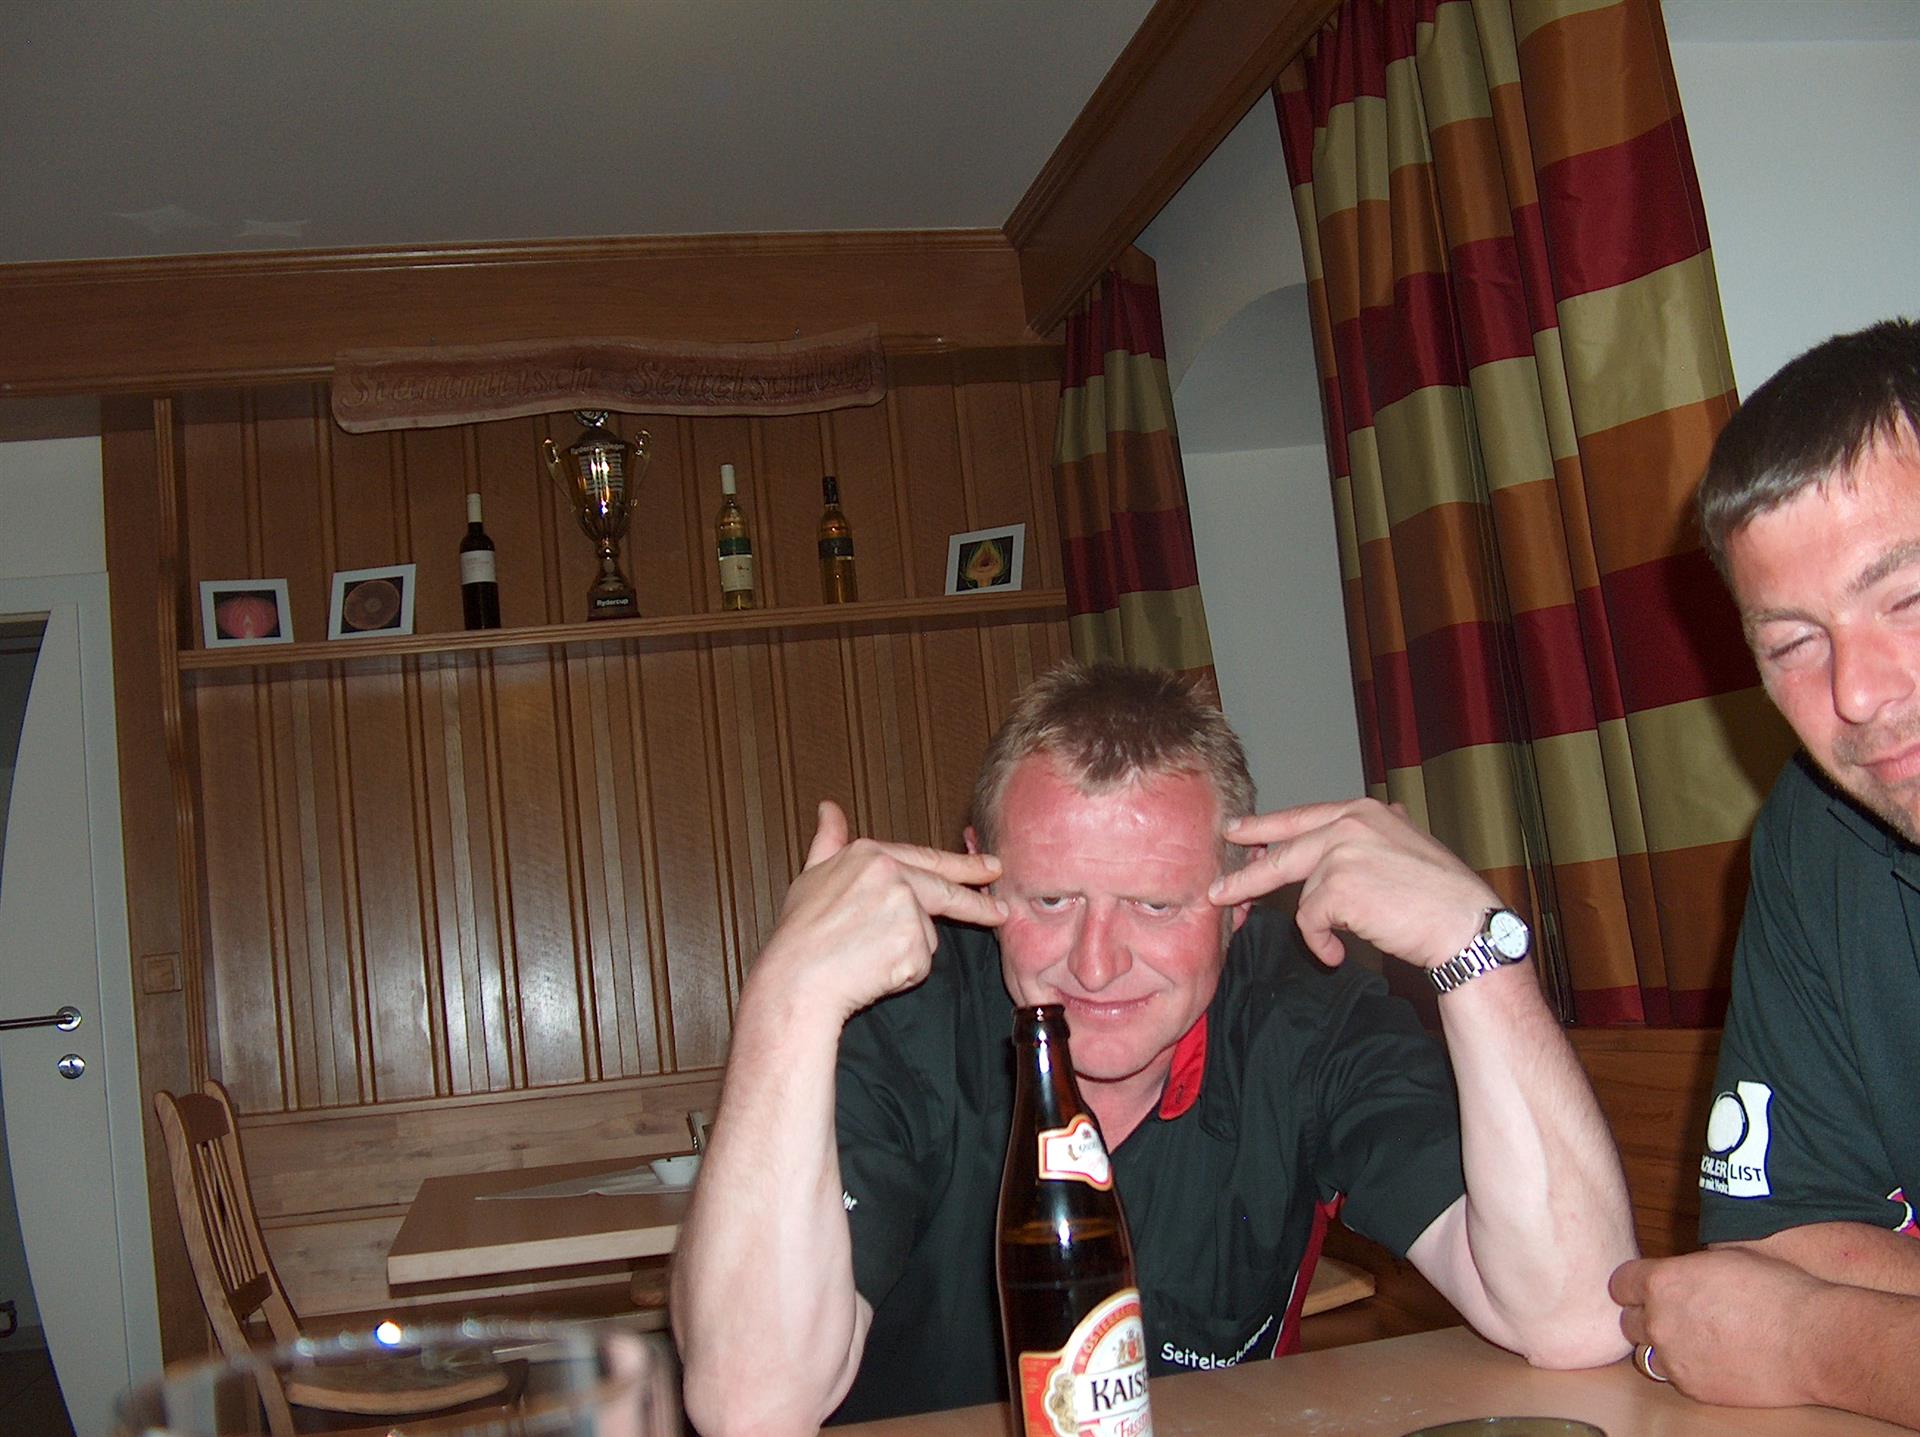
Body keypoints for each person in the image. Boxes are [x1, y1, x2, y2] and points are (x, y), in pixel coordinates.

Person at [675, 662, 1635, 1434]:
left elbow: (1578, 1315)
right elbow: (751, 1404)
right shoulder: (901, 1022)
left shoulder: (1308, 1011)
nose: (1096, 964)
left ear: (1239, 900)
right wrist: (786, 999)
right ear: (979, 872)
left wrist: (1475, 945)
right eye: (1051, 898)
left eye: (1157, 904)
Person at [1609, 318, 1920, 1428]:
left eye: (1909, 599)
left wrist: (1812, 1341)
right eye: (1793, 643)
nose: (1857, 692)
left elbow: (1783, 1305)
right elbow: (1784, 1239)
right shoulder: (1821, 831)